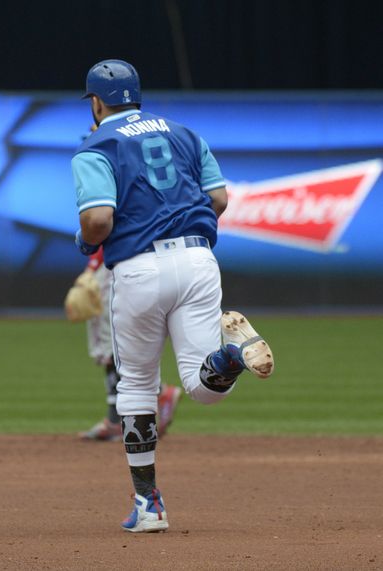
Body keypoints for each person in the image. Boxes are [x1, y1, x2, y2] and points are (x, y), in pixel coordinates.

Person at [71, 59, 274, 533]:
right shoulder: (185, 134)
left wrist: (86, 242)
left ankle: (149, 506)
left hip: (139, 268)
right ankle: (229, 355)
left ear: (97, 102)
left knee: (138, 385)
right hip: (199, 261)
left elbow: (98, 219)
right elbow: (219, 199)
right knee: (202, 389)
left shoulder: (95, 146)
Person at [73, 248, 182, 442]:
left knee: (109, 346)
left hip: (113, 264)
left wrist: (92, 267)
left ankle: (154, 396)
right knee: (117, 342)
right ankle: (118, 418)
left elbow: (104, 225)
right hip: (137, 263)